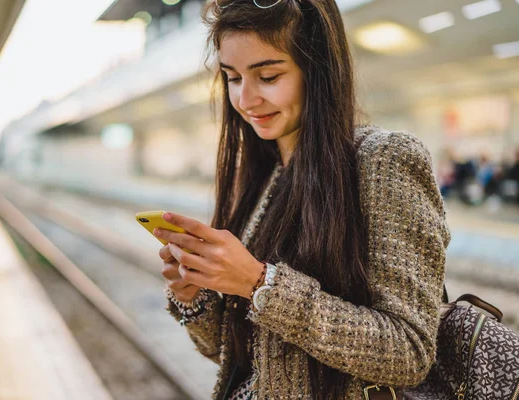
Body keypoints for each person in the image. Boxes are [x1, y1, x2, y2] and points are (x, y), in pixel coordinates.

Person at [155, 1, 450, 399]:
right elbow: (233, 355)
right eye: (232, 77)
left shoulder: (385, 160)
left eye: (269, 76)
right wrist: (196, 296)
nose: (245, 99)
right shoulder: (263, 172)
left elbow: (409, 352)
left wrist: (261, 284)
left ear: (318, 69)